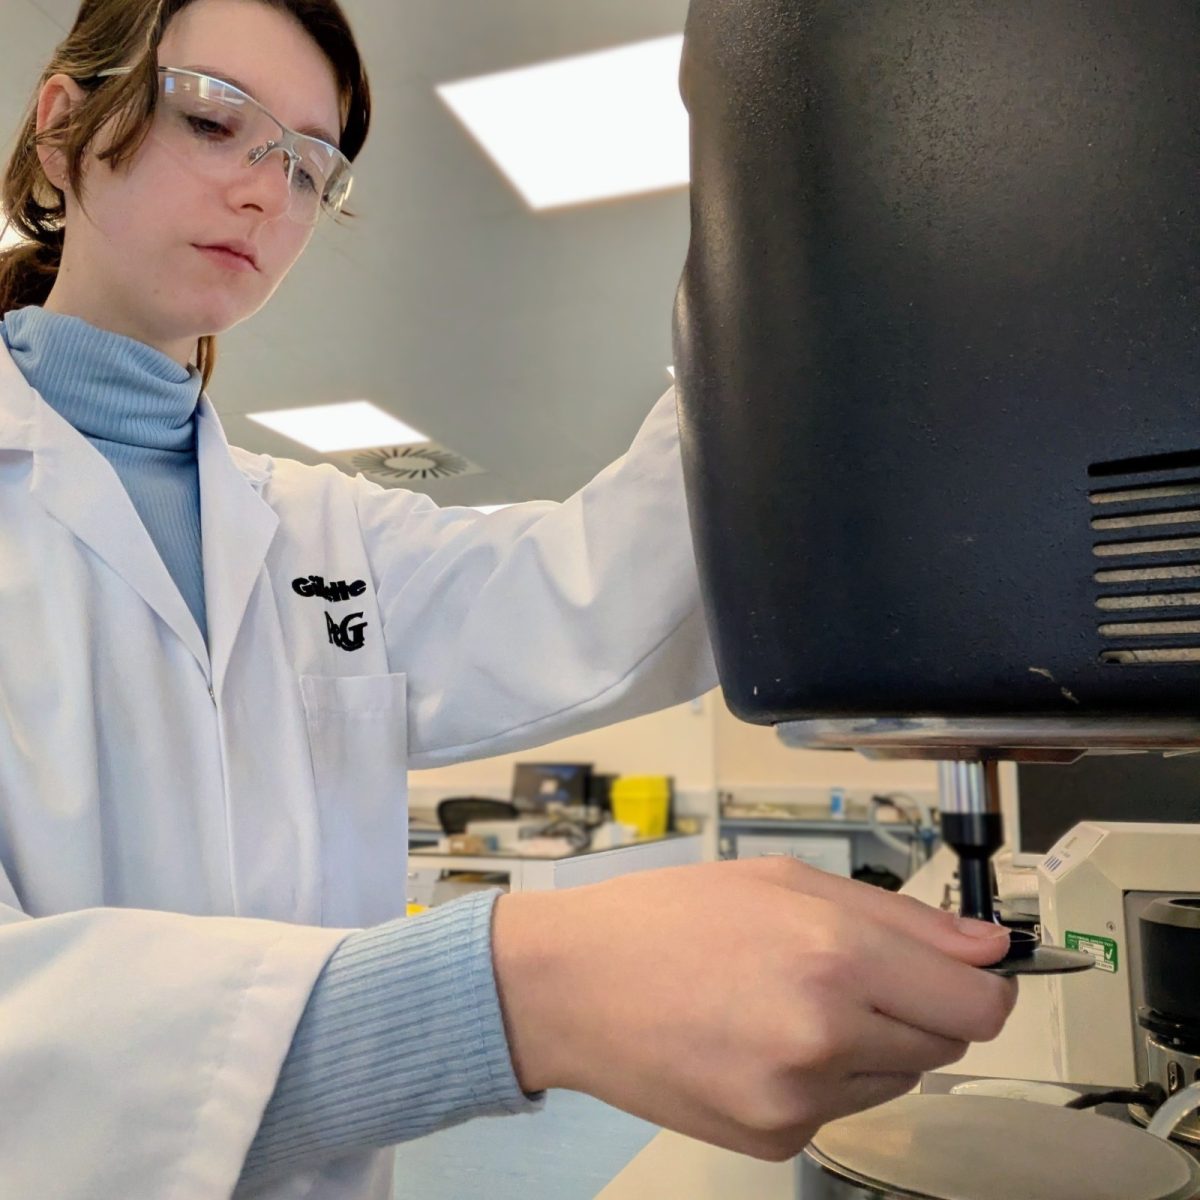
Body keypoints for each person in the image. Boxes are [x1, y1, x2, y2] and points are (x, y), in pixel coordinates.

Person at [0, 1, 1018, 1197]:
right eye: (217, 121)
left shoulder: (323, 530)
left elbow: (595, 599)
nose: (266, 195)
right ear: (65, 127)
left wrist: (792, 302)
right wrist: (507, 990)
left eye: (309, 166)